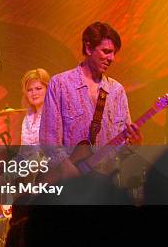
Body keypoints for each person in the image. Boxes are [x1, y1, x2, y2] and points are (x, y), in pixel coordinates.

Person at [39, 22, 141, 179]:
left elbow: (122, 146)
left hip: (106, 183)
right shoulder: (60, 84)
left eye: (114, 53)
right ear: (88, 48)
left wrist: (135, 142)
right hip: (70, 185)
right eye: (106, 51)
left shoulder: (117, 91)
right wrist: (68, 170)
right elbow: (49, 139)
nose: (111, 58)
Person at [20, 68, 50, 146]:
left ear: (48, 89)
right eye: (29, 90)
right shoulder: (27, 117)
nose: (34, 93)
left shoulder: (53, 115)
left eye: (38, 88)